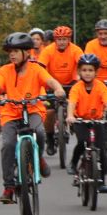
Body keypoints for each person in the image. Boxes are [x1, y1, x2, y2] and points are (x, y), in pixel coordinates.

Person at [0, 32, 65, 204]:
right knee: (8, 144)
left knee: (40, 132)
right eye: (10, 51)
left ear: (27, 52)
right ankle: (8, 186)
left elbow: (51, 81)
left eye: (16, 51)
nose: (12, 55)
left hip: (33, 110)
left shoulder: (36, 68)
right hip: (10, 113)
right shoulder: (5, 70)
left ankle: (38, 157)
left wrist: (59, 89)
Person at [66, 53, 107, 192]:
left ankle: (101, 181)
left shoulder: (101, 87)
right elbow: (72, 102)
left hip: (97, 120)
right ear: (79, 71)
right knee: (82, 142)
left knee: (101, 149)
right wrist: (70, 115)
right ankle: (73, 163)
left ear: (96, 72)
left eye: (90, 70)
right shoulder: (76, 87)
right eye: (84, 70)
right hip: (80, 120)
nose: (87, 73)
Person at [38, 25, 83, 155]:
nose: (62, 42)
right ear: (55, 40)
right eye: (59, 39)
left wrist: (80, 78)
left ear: (69, 39)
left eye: (65, 39)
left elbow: (82, 65)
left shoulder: (76, 50)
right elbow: (40, 68)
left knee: (77, 105)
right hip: (53, 84)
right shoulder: (48, 50)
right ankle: (50, 138)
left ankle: (74, 124)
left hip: (71, 83)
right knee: (50, 112)